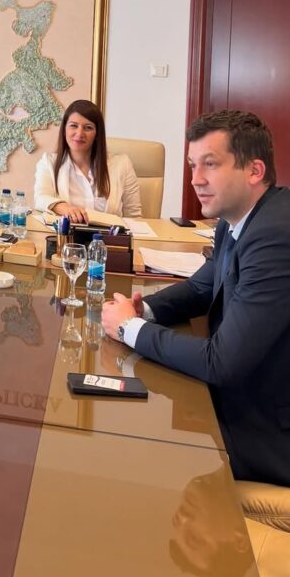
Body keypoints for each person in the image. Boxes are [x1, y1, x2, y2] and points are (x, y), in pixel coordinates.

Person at [102, 109, 290, 486]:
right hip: (243, 404)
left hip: (268, 435)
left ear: (254, 171)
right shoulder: (236, 219)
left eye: (210, 164)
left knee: (132, 458)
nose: (195, 179)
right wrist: (145, 309)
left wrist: (129, 328)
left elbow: (221, 362)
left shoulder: (274, 236)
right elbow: (202, 287)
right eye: (192, 165)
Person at [33, 99, 142, 222]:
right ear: (64, 130)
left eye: (88, 128)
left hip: (109, 234)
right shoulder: (48, 163)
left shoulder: (122, 164)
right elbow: (40, 199)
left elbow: (134, 216)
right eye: (73, 126)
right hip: (66, 233)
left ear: (97, 134)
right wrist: (65, 208)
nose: (79, 133)